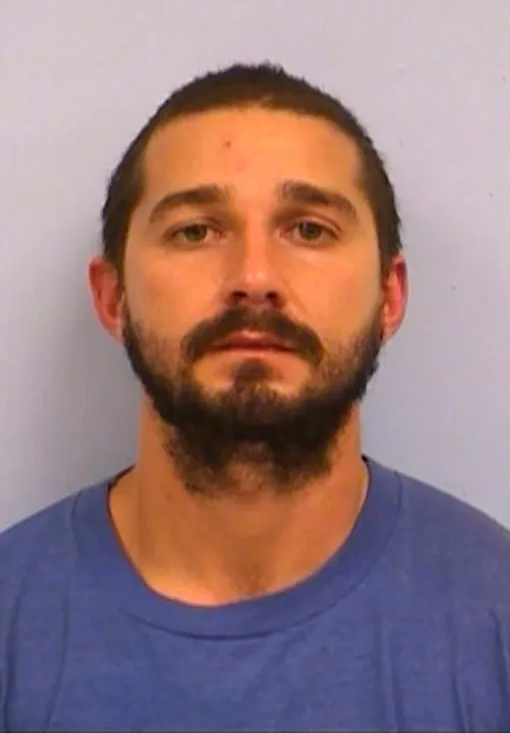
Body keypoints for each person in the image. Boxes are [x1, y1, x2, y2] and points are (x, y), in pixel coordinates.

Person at [1, 62, 509, 732]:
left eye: (310, 229)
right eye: (195, 230)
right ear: (113, 297)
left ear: (388, 297)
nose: (254, 277)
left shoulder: (494, 615)